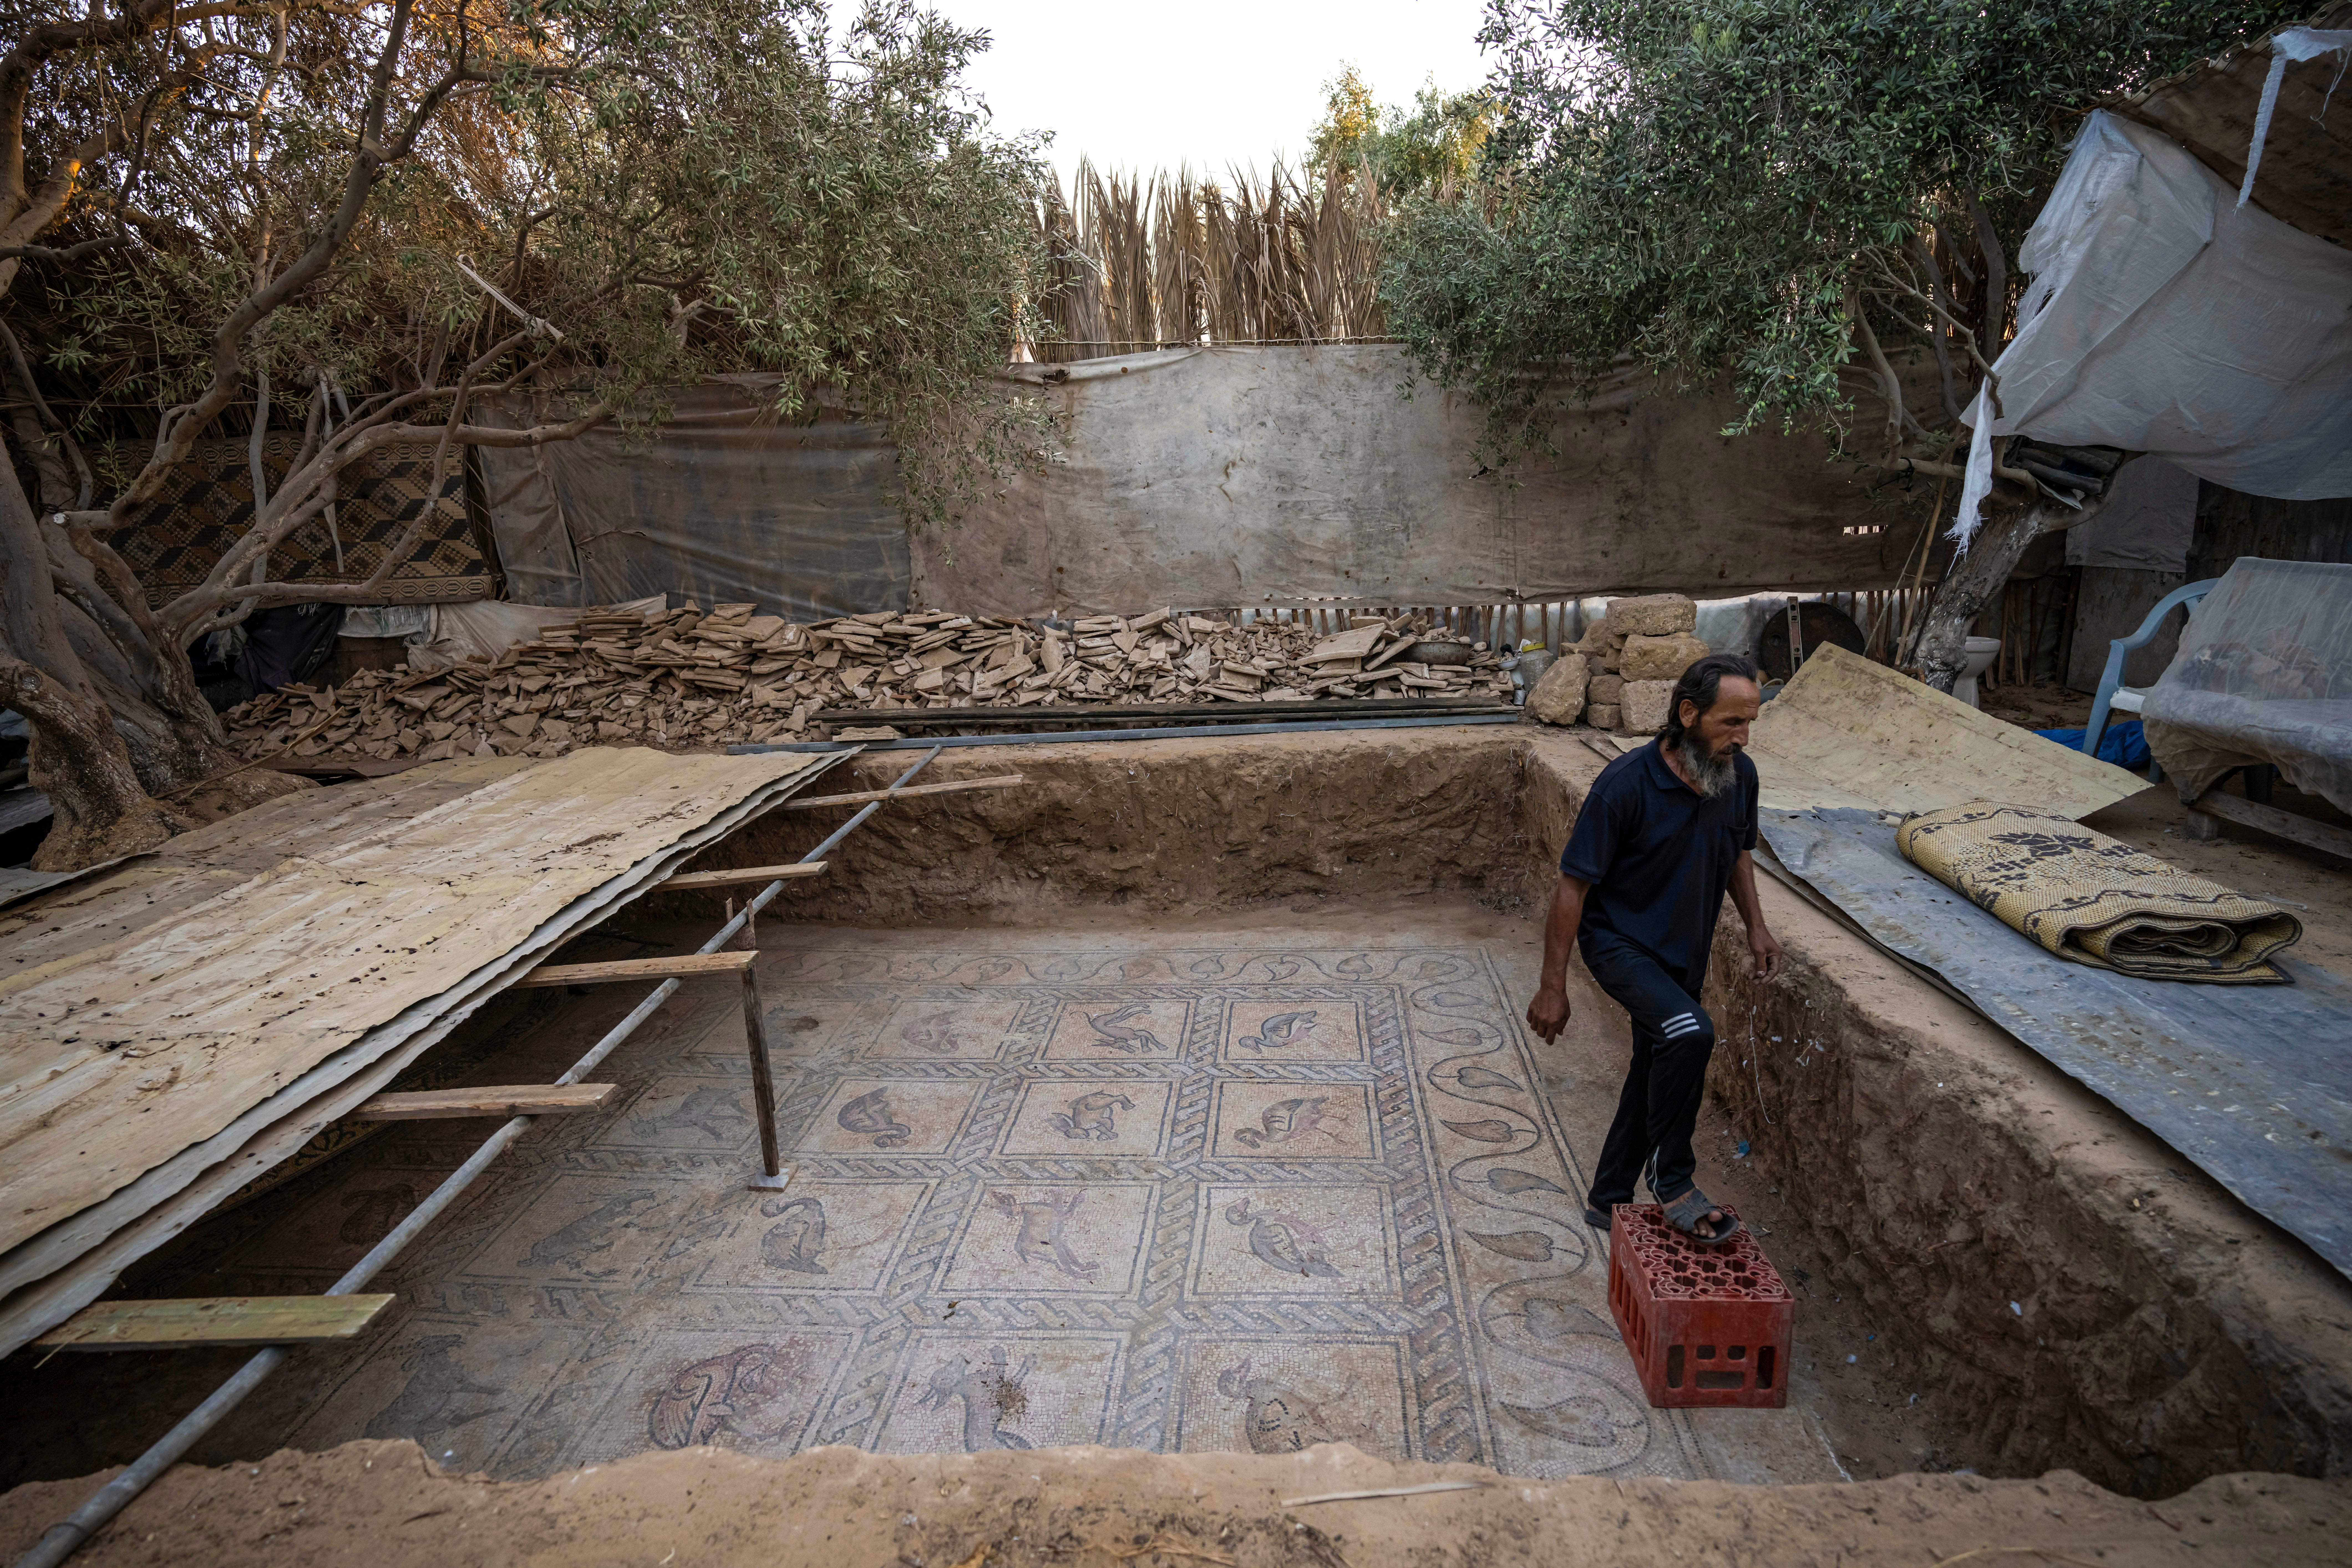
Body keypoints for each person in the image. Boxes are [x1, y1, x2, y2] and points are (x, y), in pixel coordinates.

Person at [1525, 653, 1783, 1245]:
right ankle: (1673, 1179)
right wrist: (1552, 984)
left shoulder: (1735, 776)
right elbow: (1572, 883)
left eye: (1749, 724)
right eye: (1730, 723)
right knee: (1690, 1033)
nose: (1741, 738)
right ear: (1688, 713)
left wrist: (1756, 927)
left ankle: (1607, 1197)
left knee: (1656, 1062)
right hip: (1619, 942)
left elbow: (1738, 852)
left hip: (1681, 949)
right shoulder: (1625, 786)